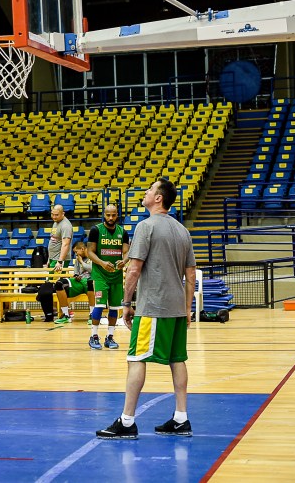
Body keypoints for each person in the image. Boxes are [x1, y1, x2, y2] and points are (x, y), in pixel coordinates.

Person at [97, 179, 196, 440]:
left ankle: (127, 421)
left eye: (150, 189)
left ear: (158, 198)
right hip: (176, 308)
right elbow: (190, 274)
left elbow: (133, 269)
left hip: (153, 306)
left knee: (136, 358)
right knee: (178, 359)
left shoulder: (146, 226)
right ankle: (181, 418)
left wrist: (127, 303)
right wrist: (187, 308)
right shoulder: (182, 231)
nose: (145, 192)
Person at [86, 204, 131, 349]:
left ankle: (110, 337)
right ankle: (93, 336)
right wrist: (102, 263)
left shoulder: (122, 232)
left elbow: (126, 252)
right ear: (104, 215)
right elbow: (90, 252)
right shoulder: (96, 230)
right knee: (99, 305)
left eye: (113, 215)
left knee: (114, 307)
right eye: (108, 215)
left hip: (116, 275)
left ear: (117, 215)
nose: (111, 218)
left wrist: (124, 261)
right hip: (100, 275)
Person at [52, 241, 96, 325]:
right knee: (59, 284)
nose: (76, 254)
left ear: (82, 249)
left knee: (91, 282)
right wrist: (76, 275)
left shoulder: (93, 256)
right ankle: (66, 315)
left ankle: (92, 314)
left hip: (91, 281)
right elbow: (76, 271)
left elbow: (92, 270)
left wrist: (81, 262)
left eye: (76, 251)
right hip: (79, 282)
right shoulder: (78, 259)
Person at [46, 204, 72, 271]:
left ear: (63, 214)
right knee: (50, 280)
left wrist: (60, 262)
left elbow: (66, 244)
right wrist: (49, 258)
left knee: (55, 281)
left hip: (59, 260)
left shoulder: (66, 226)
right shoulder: (56, 222)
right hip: (53, 258)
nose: (54, 217)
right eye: (52, 214)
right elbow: (53, 239)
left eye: (56, 215)